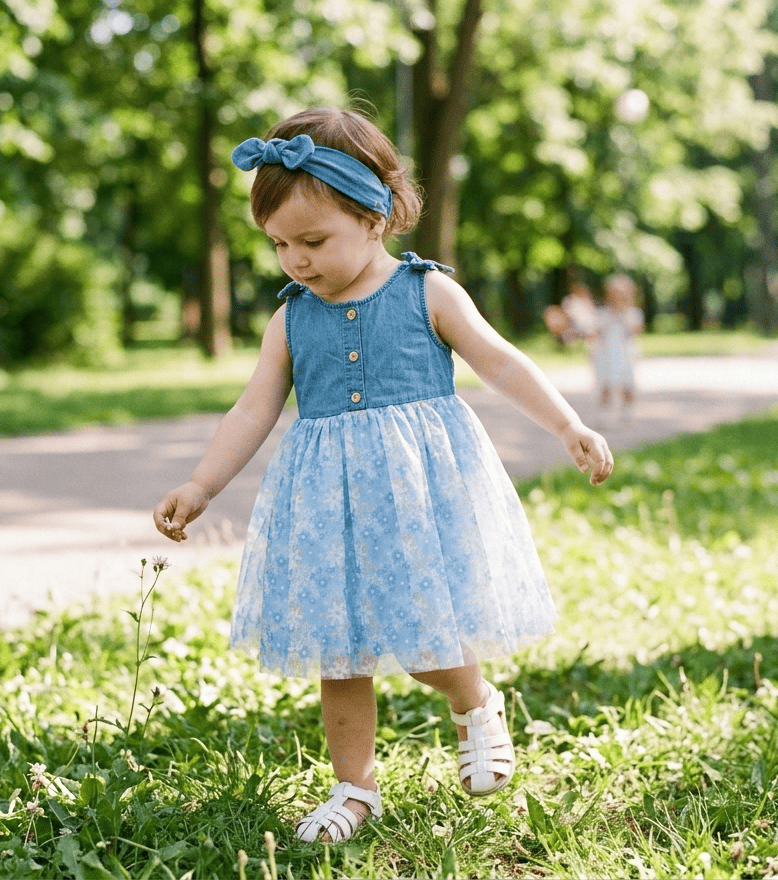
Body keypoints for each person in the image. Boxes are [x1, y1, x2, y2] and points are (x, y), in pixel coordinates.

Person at [152, 108, 614, 844]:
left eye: (313, 241)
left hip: (419, 494)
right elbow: (253, 409)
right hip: (327, 504)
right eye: (278, 245)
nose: (296, 261)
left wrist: (568, 425)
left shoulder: (427, 293)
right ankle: (353, 786)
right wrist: (202, 484)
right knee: (340, 649)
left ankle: (474, 702)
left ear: (375, 217)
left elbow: (499, 360)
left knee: (427, 633)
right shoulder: (290, 319)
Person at [589, 274, 644, 424]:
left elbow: (636, 330)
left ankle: (628, 408)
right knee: (605, 382)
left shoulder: (633, 313)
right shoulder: (602, 313)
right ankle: (605, 411)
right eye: (614, 293)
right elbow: (596, 332)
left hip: (625, 352)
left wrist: (622, 315)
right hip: (606, 353)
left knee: (628, 382)